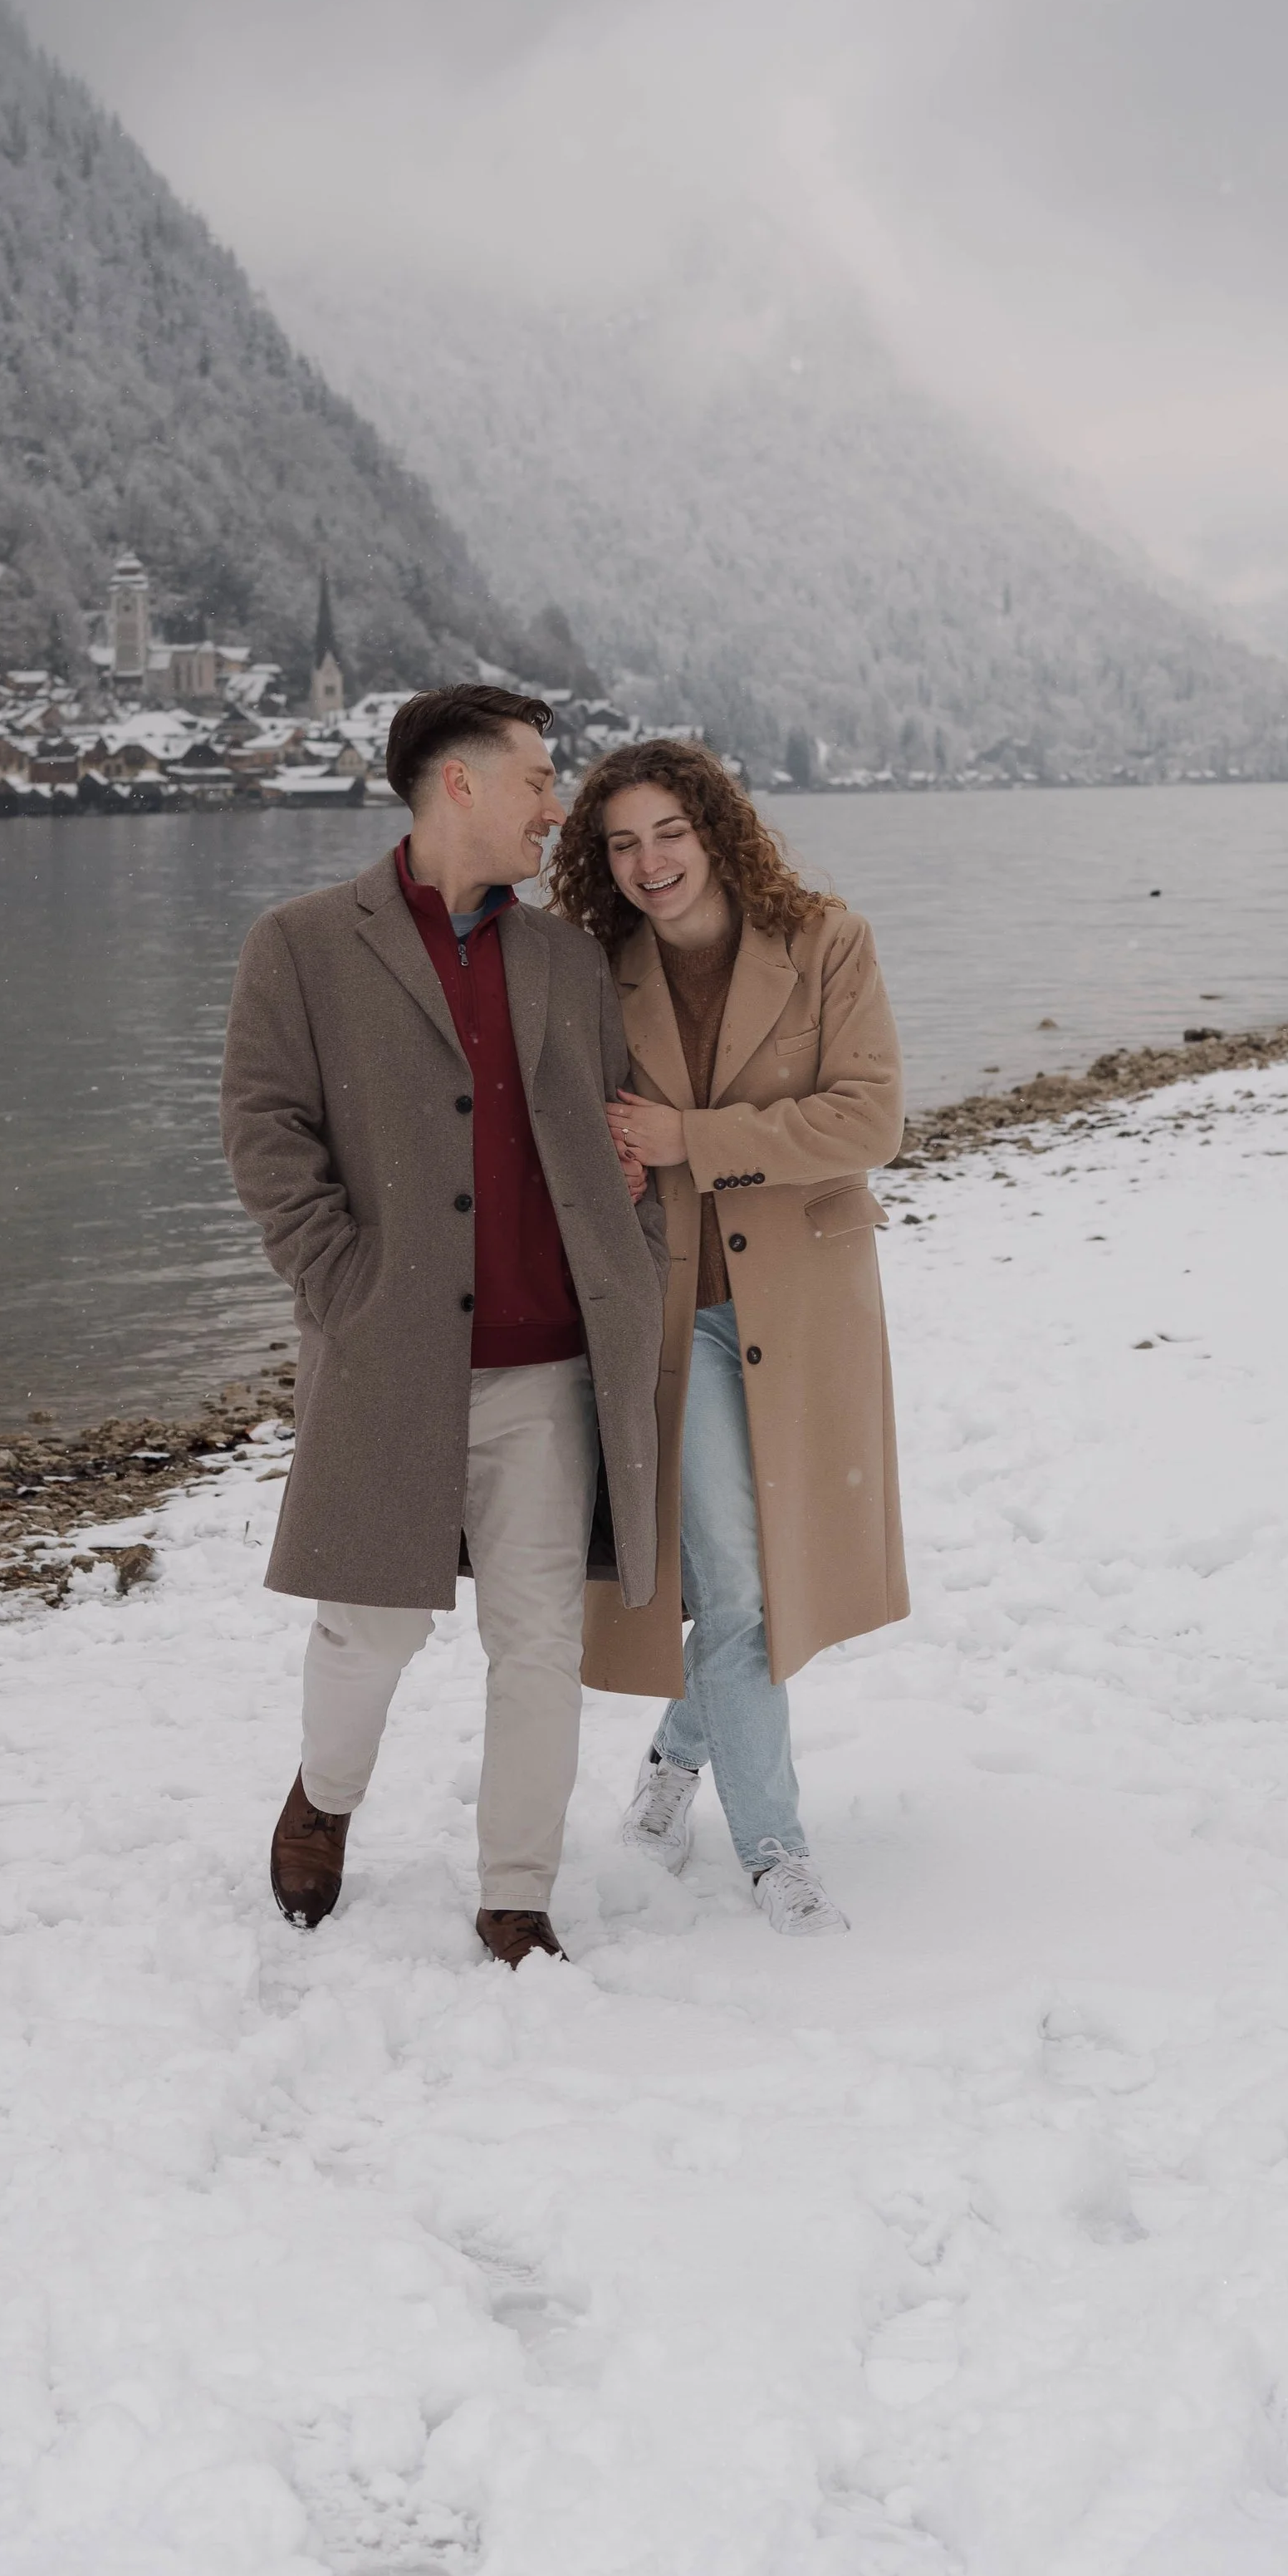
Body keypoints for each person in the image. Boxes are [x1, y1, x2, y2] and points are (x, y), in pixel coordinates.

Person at [219, 685, 668, 1966]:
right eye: (537, 779)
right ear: (459, 784)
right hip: (390, 1357)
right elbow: (263, 1131)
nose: (555, 806)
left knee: (538, 1642)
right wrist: (341, 1282)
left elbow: (614, 1130)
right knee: (369, 1628)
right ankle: (324, 1798)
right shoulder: (302, 944)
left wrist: (631, 1253)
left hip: (549, 1371)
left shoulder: (566, 959)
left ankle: (516, 1893)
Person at [547, 738, 908, 1935]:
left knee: (786, 1576)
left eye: (671, 832)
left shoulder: (827, 942)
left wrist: (690, 1139)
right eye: (622, 843)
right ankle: (775, 1850)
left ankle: (678, 1750)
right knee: (741, 1588)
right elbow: (571, 1131)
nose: (650, 862)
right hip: (673, 1314)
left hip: (803, 1309)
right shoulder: (597, 972)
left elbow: (869, 1119)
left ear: (716, 830)